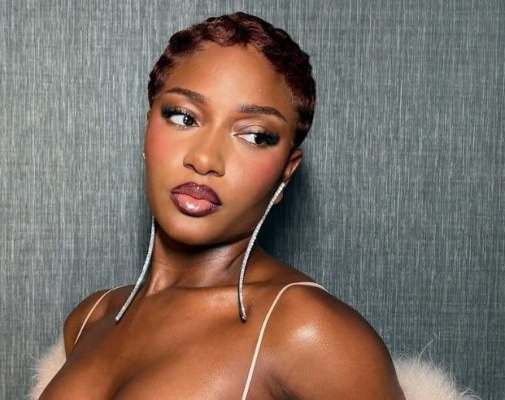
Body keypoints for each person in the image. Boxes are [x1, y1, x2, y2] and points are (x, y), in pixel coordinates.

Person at [38, 12, 406, 399]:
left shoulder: (308, 331)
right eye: (183, 117)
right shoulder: (90, 318)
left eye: (254, 135)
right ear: (148, 130)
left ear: (286, 172)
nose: (205, 159)